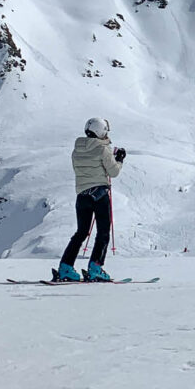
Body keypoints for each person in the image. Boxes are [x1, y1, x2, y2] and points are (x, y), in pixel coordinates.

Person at [54, 117, 126, 282]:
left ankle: (65, 267)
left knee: (81, 233)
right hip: (100, 195)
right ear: (101, 131)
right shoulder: (103, 150)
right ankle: (95, 268)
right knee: (102, 233)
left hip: (82, 195)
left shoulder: (76, 150)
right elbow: (113, 172)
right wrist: (119, 159)